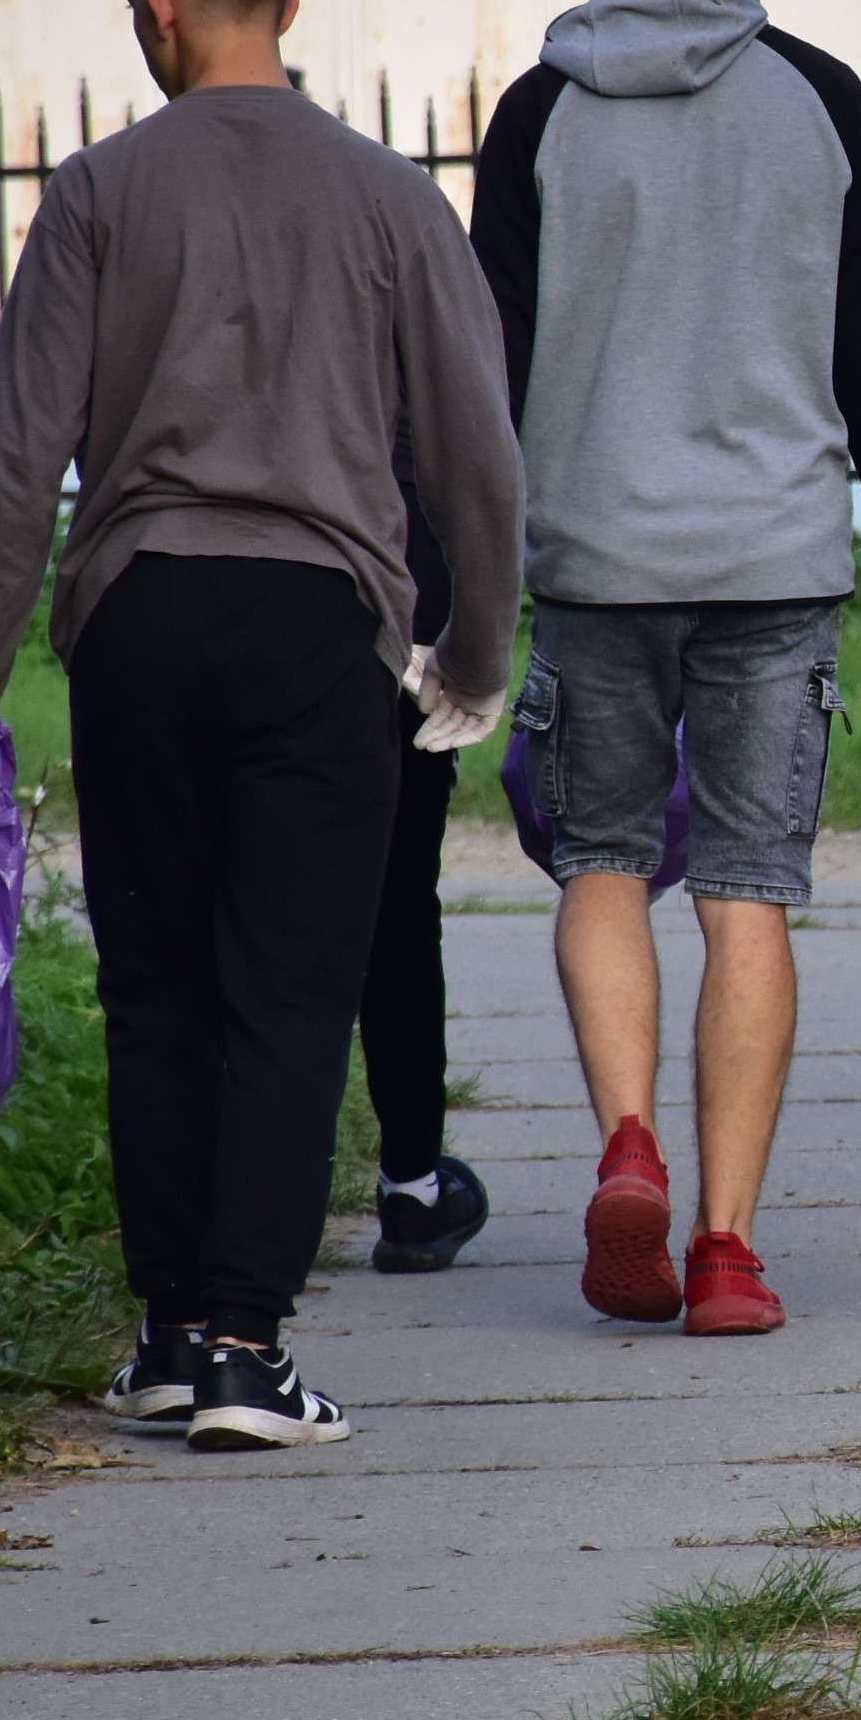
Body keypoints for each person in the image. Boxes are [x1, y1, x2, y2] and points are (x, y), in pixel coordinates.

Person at [0, 0, 522, 1452]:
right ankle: (251, 1345)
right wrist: (471, 653)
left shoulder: (103, 195)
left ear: (156, 6)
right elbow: (478, 459)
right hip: (321, 624)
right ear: (291, 1)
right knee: (290, 987)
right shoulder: (392, 198)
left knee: (160, 984)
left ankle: (176, 1332)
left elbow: (10, 460)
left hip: (137, 616)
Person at [471, 0, 861, 1336]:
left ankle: (627, 1137)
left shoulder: (538, 117)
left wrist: (458, 596)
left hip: (597, 564)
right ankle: (728, 1250)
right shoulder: (817, 98)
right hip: (774, 564)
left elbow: (484, 374)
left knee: (605, 860)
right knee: (749, 894)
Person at [357, 458, 489, 1273]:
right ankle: (411, 1183)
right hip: (397, 590)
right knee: (397, 910)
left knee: (234, 916)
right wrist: (472, 642)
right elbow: (473, 449)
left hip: (187, 592)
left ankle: (229, 1207)